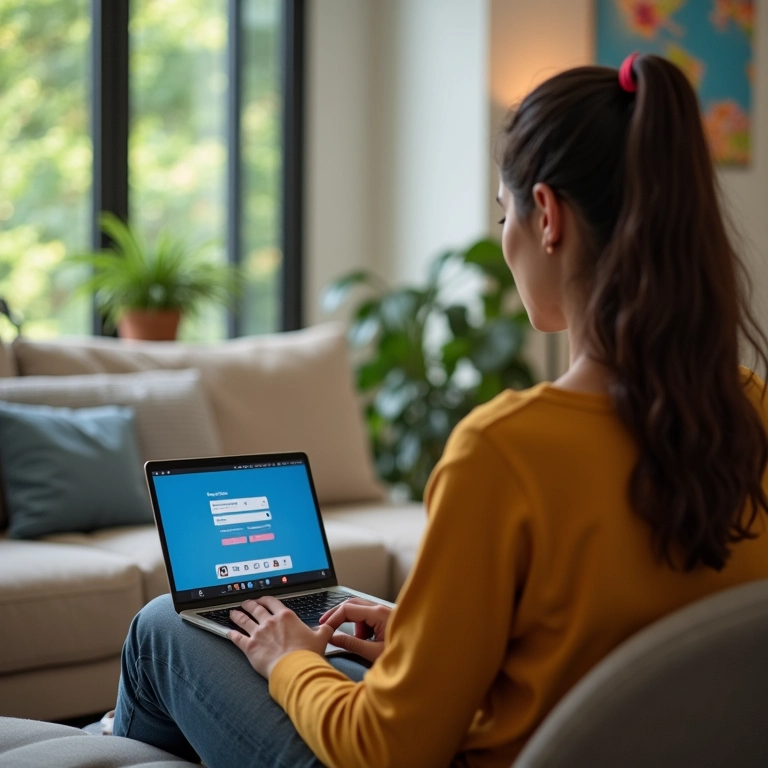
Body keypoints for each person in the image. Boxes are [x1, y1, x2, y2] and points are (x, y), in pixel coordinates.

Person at [113, 53, 768, 767]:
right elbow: (620, 655)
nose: (505, 234)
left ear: (545, 215)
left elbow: (387, 752)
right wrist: (441, 643)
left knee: (161, 631)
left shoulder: (504, 452)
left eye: (503, 210)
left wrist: (290, 661)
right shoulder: (751, 410)